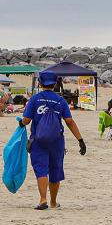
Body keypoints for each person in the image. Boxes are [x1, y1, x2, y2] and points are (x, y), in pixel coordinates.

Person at [20, 70, 85, 210]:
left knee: (41, 169)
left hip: (38, 140)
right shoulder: (61, 101)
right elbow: (69, 122)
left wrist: (20, 124)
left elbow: (26, 120)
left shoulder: (35, 99)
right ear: (55, 84)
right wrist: (80, 140)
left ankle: (43, 199)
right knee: (55, 169)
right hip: (56, 142)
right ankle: (54, 202)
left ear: (40, 83)